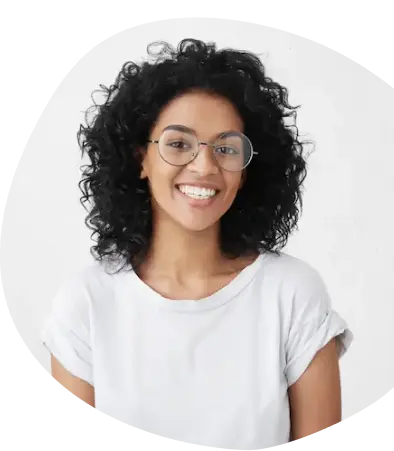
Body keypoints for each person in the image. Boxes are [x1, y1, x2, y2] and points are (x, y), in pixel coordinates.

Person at [41, 38, 353, 448]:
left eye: (226, 148)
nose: (204, 166)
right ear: (139, 158)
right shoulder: (87, 304)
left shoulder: (292, 294)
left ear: (246, 171)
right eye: (178, 144)